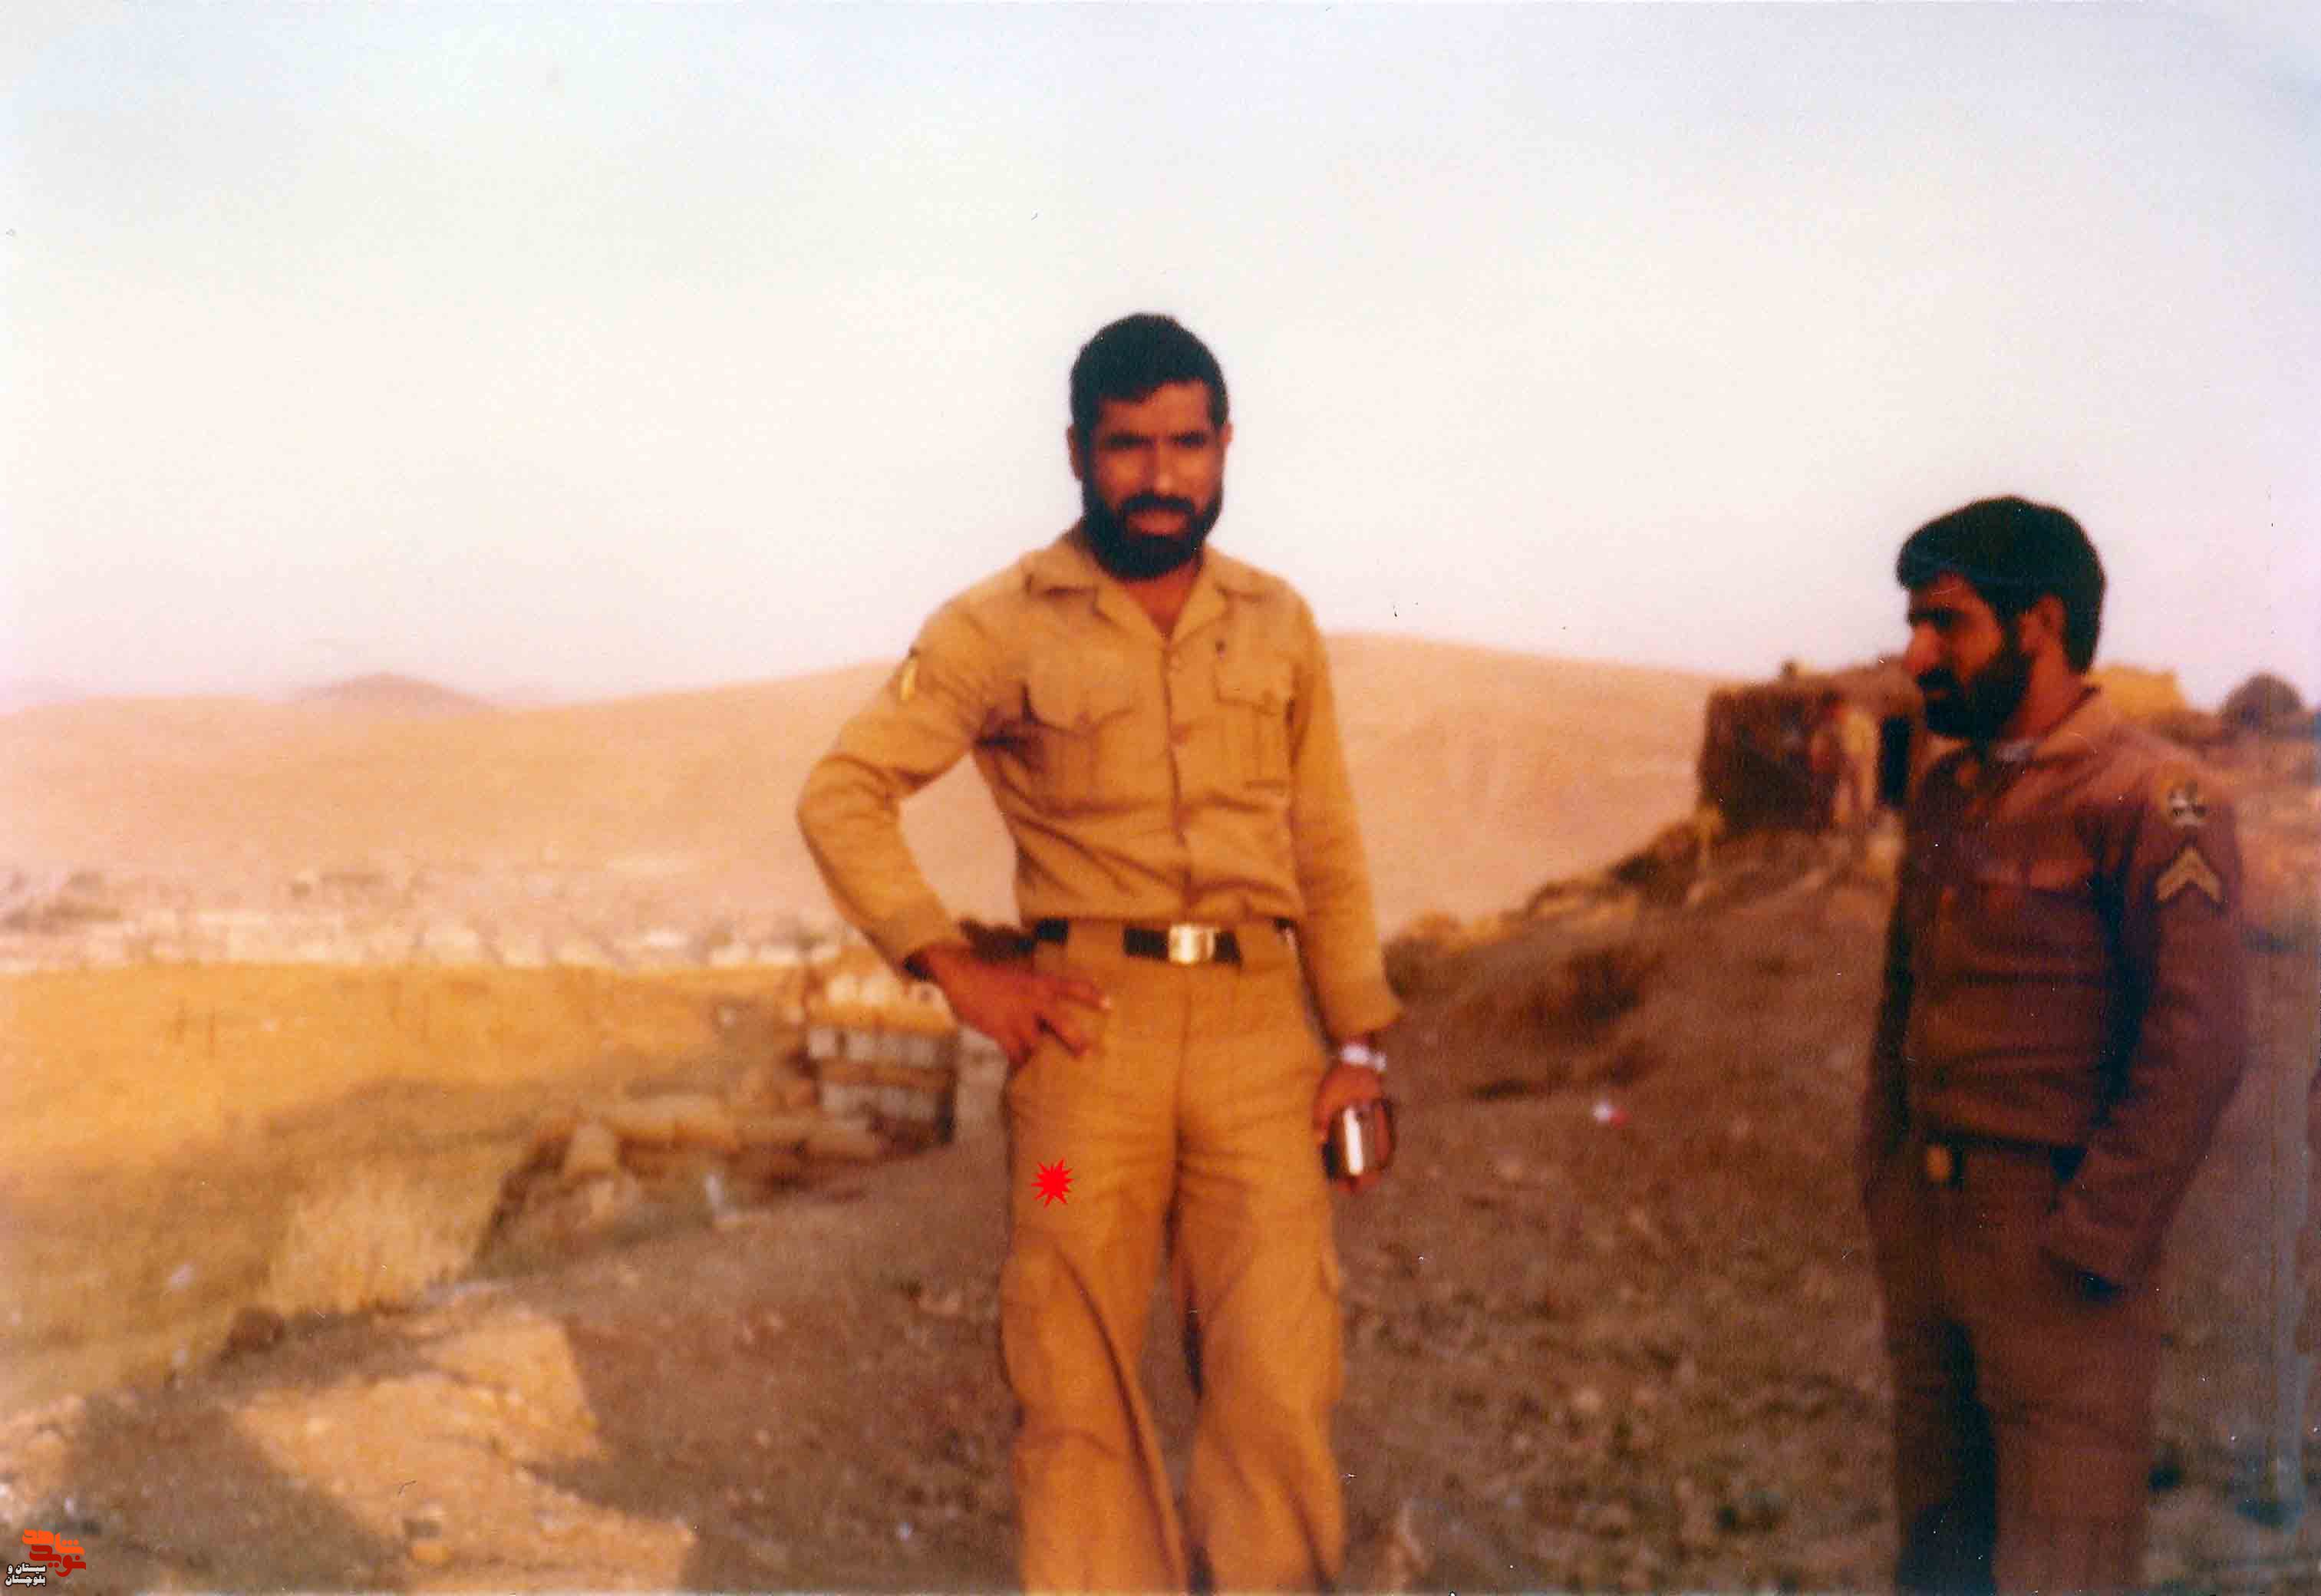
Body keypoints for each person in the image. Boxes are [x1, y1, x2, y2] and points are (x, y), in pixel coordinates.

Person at [796, 313, 1400, 1591]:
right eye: (1127, 447)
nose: (1160, 476)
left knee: (1277, 1375)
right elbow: (843, 794)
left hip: (1258, 1051)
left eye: (1186, 444)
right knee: (1071, 1376)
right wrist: (953, 967)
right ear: (1077, 452)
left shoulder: (1276, 622)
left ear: (1225, 444)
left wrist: (1357, 1044)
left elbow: (1325, 841)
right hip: (1088, 1056)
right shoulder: (997, 625)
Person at [1858, 496, 2250, 1592]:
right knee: (1939, 1557)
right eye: (1914, 624)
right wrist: (1886, 1180)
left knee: (2057, 1565)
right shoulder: (1948, 794)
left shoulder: (2156, 798)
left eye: (1945, 623)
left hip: (2056, 1250)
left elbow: (2200, 1039)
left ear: (2038, 624)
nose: (1915, 654)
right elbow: (1900, 1004)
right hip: (1933, 1229)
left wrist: (2094, 1237)